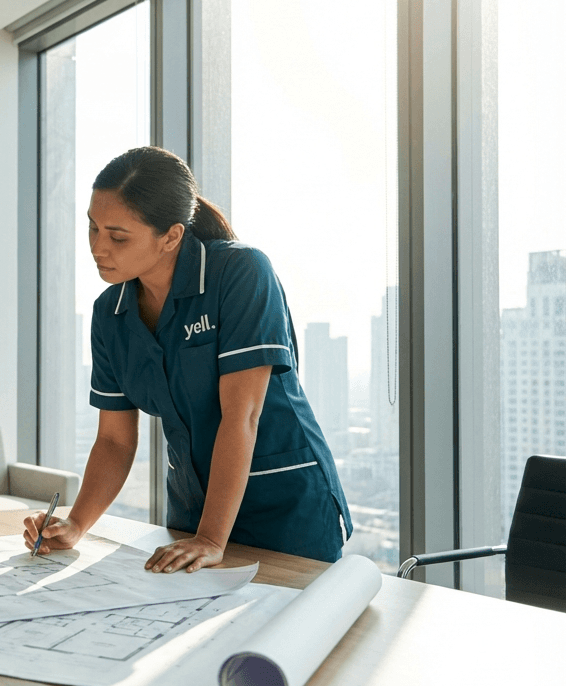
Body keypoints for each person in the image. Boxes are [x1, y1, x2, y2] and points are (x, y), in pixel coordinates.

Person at [24, 146, 352, 572]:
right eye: (92, 228)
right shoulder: (111, 313)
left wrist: (212, 538)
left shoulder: (242, 273)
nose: (97, 247)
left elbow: (243, 415)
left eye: (118, 236)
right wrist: (76, 524)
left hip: (284, 513)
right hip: (192, 516)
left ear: (172, 236)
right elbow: (114, 440)